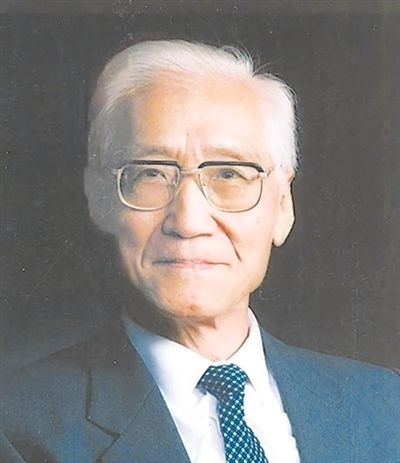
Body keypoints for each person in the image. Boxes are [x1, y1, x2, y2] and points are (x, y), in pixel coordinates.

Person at [1, 40, 399, 463]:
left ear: (283, 205)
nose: (189, 221)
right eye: (151, 173)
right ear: (100, 199)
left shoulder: (385, 405)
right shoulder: (18, 426)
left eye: (230, 173)